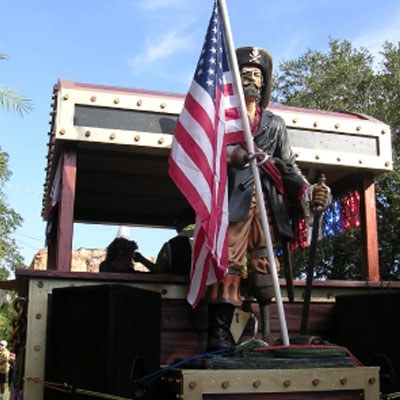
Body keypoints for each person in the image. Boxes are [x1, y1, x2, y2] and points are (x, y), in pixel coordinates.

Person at [205, 47, 330, 350]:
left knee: (265, 269)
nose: (251, 80)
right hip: (233, 204)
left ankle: (271, 337)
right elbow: (208, 152)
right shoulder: (222, 118)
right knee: (229, 266)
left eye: (256, 76)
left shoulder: (275, 124)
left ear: (263, 84)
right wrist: (235, 154)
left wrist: (308, 191)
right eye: (245, 74)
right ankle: (219, 339)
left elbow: (288, 167)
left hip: (266, 206)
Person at [151, 208, 195, 275]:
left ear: (180, 224)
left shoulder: (169, 246)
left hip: (178, 285)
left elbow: (159, 271)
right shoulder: (211, 243)